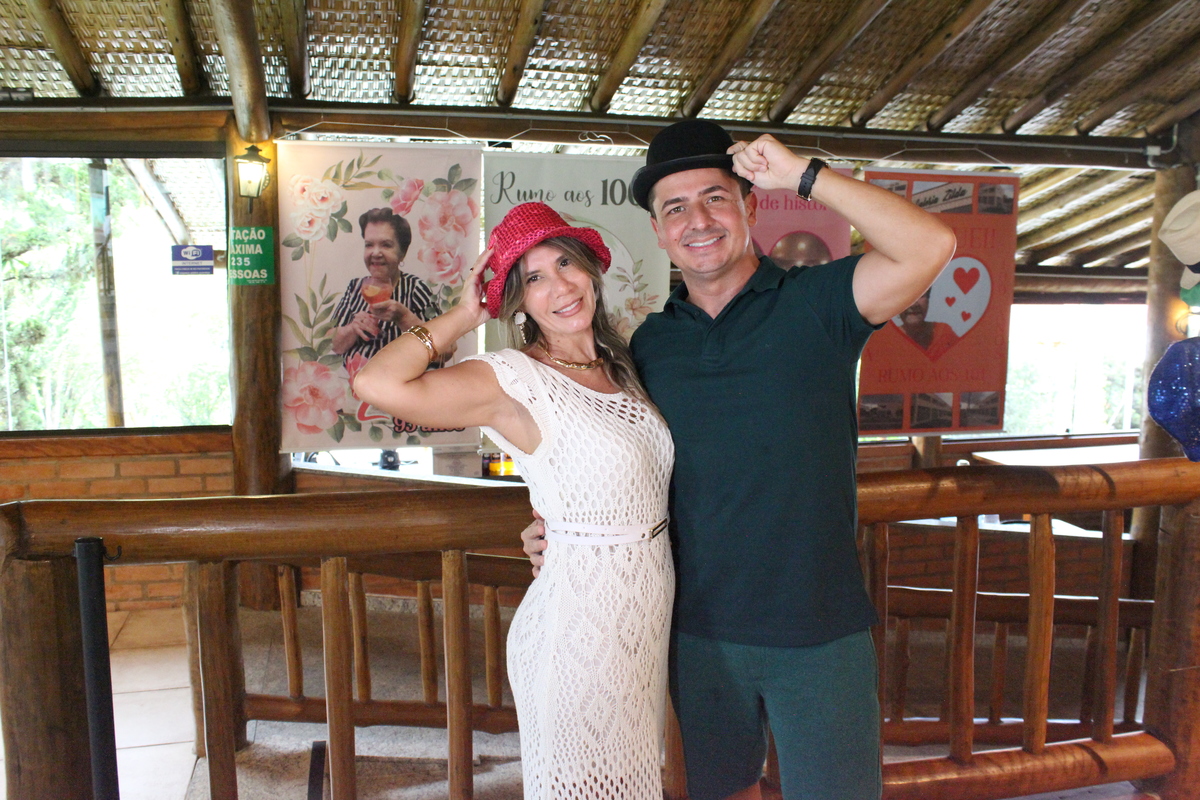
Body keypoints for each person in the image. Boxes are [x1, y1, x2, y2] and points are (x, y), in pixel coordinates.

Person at [523, 119, 956, 800]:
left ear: (750, 206)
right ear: (658, 231)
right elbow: (607, 457)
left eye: (715, 198)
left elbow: (932, 244)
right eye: (674, 208)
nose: (697, 221)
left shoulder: (819, 303)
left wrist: (802, 175)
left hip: (819, 628)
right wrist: (559, 529)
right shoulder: (648, 346)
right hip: (693, 631)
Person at [353, 202, 675, 800]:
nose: (560, 287)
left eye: (566, 264)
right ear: (518, 302)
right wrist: (464, 314)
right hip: (577, 627)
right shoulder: (513, 378)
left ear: (590, 271)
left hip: (641, 620)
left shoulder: (621, 365)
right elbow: (376, 384)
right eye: (534, 278)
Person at [331, 207, 442, 368]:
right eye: (369, 245)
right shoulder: (355, 287)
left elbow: (445, 351)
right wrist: (353, 328)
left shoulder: (415, 288)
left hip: (403, 383)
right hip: (359, 382)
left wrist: (404, 317)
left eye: (386, 245)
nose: (376, 253)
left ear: (402, 253)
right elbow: (333, 345)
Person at [897, 288, 959, 360]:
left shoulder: (944, 334)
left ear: (928, 301)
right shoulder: (890, 340)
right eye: (906, 297)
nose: (914, 305)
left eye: (920, 295)